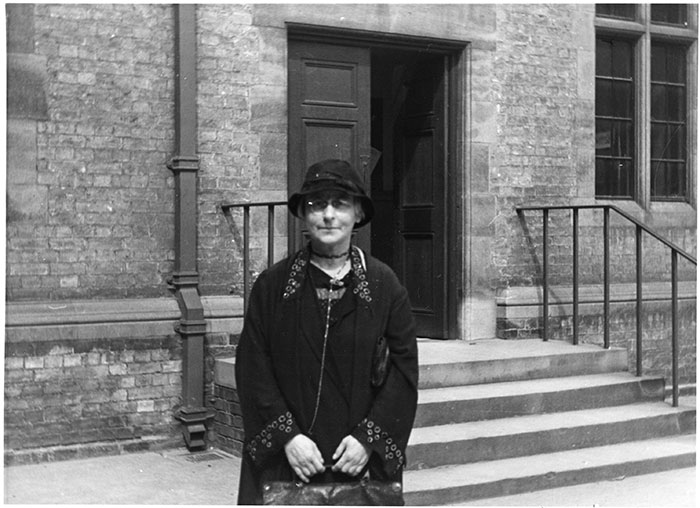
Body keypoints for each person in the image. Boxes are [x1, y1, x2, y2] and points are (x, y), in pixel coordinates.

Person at [235, 159, 419, 504]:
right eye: (317, 205)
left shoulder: (384, 287)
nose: (328, 215)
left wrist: (369, 439)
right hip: (290, 462)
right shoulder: (273, 287)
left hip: (356, 463)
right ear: (304, 216)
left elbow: (404, 372)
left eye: (340, 204)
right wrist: (288, 437)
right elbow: (252, 368)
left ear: (358, 214)